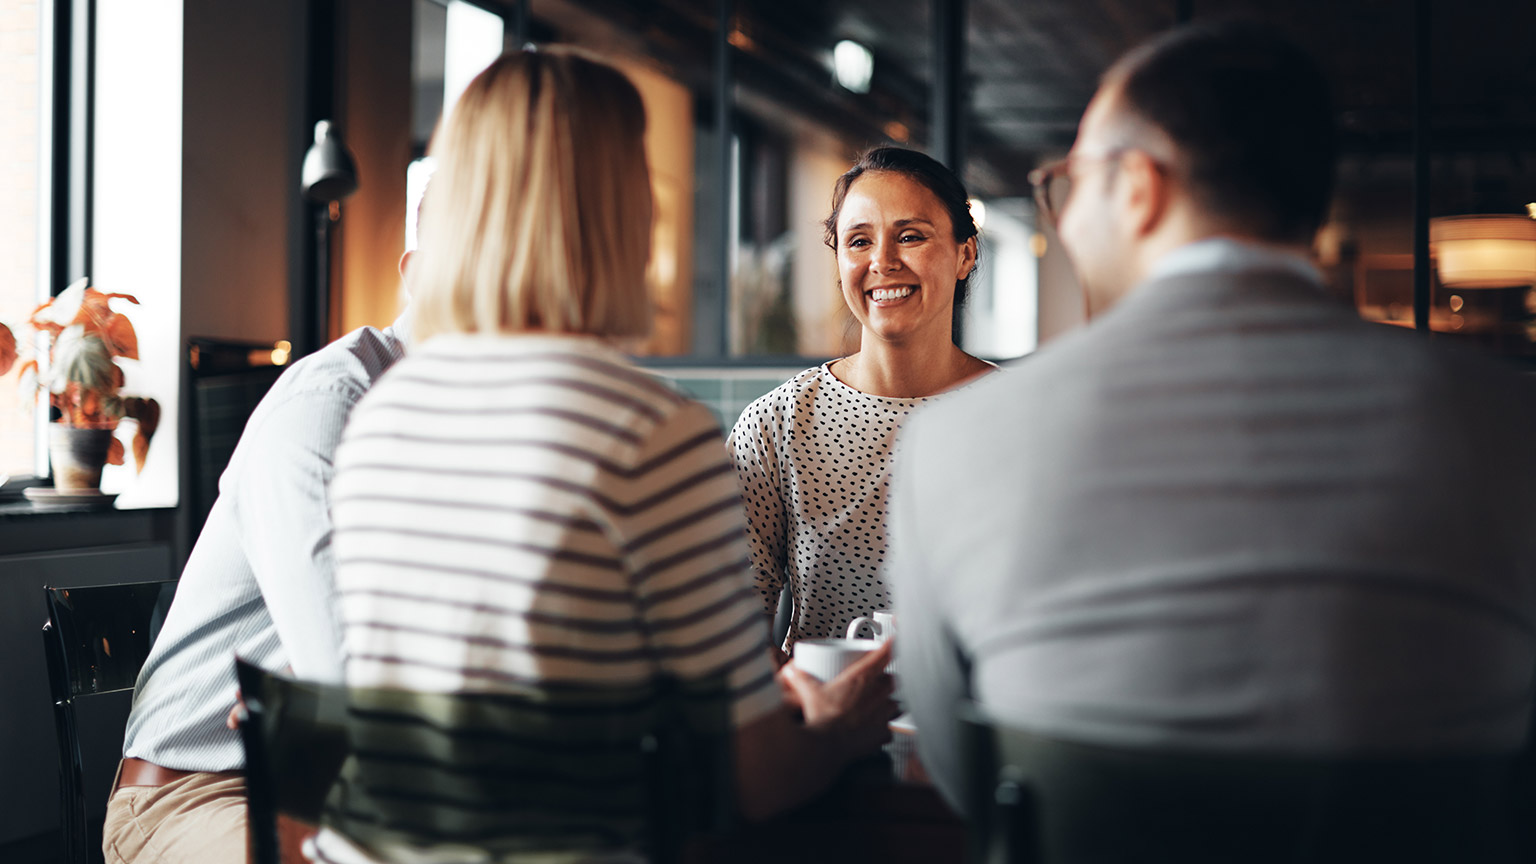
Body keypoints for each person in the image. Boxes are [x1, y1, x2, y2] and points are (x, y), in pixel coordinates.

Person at [890, 20, 1536, 812]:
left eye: (1071, 182)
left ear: (1138, 187)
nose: (1064, 216)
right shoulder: (1509, 423)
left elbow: (961, 771)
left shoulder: (957, 439)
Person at [316, 47, 895, 863]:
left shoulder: (381, 412)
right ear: (619, 210)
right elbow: (756, 780)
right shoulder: (648, 432)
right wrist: (838, 727)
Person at [102, 301, 414, 858]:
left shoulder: (481, 436)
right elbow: (346, 688)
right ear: (414, 273)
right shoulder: (328, 405)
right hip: (197, 793)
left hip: (319, 781)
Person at [730, 146, 993, 654]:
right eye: (858, 242)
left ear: (965, 254)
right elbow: (731, 629)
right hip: (825, 725)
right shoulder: (777, 425)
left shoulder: (1023, 416)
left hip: (981, 727)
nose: (883, 262)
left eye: (911, 236)